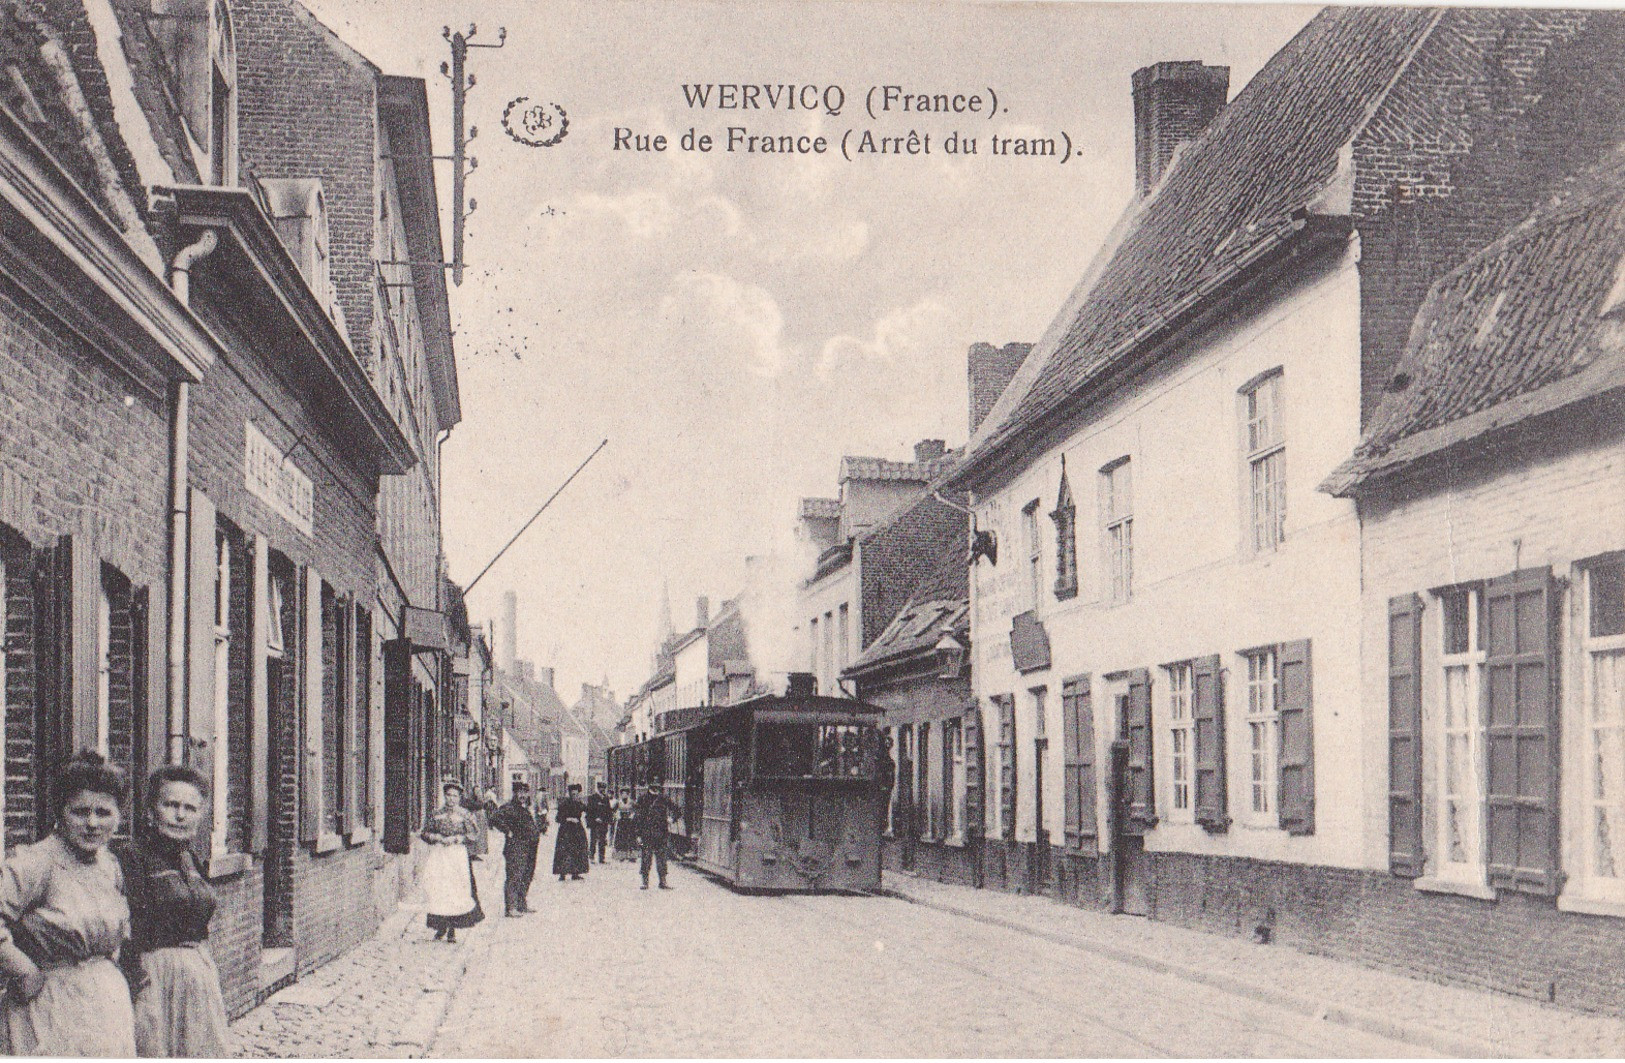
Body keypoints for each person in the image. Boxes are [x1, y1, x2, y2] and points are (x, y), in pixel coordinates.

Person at [0, 751, 135, 1056]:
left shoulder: (109, 865)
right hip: (49, 1005)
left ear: (119, 816)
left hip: (105, 1006)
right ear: (60, 813)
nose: (92, 823)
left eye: (103, 813)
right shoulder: (36, 862)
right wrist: (23, 970)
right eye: (80, 812)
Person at [118, 765, 229, 1058]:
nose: (180, 815)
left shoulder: (191, 858)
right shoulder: (132, 858)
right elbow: (123, 929)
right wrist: (136, 982)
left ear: (201, 815)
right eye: (171, 805)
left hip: (197, 979)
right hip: (154, 979)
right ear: (152, 811)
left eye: (190, 808)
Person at [421, 781, 483, 942]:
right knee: (440, 889)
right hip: (440, 855)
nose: (451, 799)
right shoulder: (436, 814)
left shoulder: (465, 815)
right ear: (444, 796)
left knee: (456, 889)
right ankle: (440, 927)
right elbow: (425, 833)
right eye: (448, 795)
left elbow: (474, 834)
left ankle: (453, 929)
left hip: (457, 856)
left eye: (455, 796)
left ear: (459, 797)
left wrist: (457, 838)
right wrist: (437, 837)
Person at [484, 783, 540, 916]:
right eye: (519, 793)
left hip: (530, 847)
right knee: (515, 876)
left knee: (527, 875)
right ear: (514, 793)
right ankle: (511, 908)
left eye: (525, 793)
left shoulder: (525, 808)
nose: (522, 796)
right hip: (516, 847)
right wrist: (507, 830)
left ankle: (521, 904)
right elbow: (494, 818)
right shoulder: (509, 807)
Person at [634, 780, 677, 890]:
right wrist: (638, 834)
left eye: (658, 786)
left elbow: (676, 809)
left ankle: (663, 881)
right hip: (646, 834)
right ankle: (645, 881)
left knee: (662, 859)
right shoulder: (643, 799)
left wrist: (672, 819)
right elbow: (638, 818)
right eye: (654, 786)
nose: (656, 788)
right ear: (650, 786)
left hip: (661, 833)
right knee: (646, 858)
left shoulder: (664, 798)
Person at [552, 784, 590, 881]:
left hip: (577, 830)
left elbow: (588, 810)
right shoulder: (564, 804)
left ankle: (576, 872)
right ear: (570, 794)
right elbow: (558, 818)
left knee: (578, 850)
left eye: (577, 794)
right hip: (566, 831)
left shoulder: (579, 803)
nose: (575, 796)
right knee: (564, 851)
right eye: (573, 794)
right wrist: (569, 819)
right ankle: (562, 873)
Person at [586, 782, 613, 864]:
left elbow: (608, 811)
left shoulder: (606, 798)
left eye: (604, 788)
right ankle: (591, 857)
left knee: (602, 840)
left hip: (603, 823)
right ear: (598, 788)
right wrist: (594, 819)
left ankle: (602, 858)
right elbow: (589, 811)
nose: (603, 790)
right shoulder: (592, 798)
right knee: (593, 840)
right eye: (601, 788)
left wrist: (609, 820)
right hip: (595, 823)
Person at [611, 788, 638, 862]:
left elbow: (637, 810)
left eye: (626, 794)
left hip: (630, 822)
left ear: (628, 794)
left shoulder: (632, 802)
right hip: (621, 822)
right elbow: (612, 811)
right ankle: (621, 856)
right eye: (622, 794)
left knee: (631, 838)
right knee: (621, 839)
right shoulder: (618, 802)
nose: (624, 795)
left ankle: (632, 857)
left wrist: (633, 815)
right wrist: (616, 815)